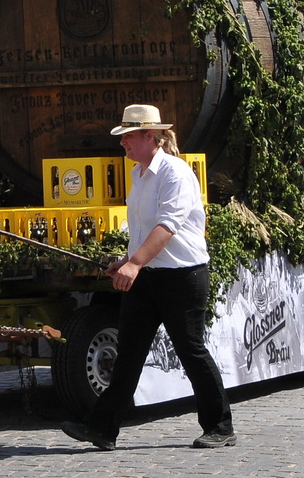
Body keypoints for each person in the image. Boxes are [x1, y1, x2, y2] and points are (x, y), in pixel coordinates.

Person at [61, 104, 234, 452]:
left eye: (127, 137)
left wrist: (134, 264)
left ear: (148, 136)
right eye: (122, 138)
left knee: (191, 351)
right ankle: (102, 428)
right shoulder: (139, 174)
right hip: (149, 276)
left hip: (182, 277)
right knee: (129, 354)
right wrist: (126, 260)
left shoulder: (175, 173)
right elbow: (142, 232)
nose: (122, 144)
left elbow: (167, 226)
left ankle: (220, 426)